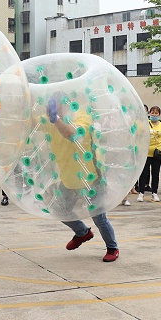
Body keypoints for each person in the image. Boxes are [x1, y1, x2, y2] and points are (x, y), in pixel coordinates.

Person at [44, 93, 119, 261]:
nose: (50, 108)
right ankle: (82, 232)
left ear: (64, 103)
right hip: (68, 179)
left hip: (90, 177)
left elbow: (72, 134)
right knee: (59, 210)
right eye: (49, 104)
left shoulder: (82, 116)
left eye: (54, 104)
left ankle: (112, 247)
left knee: (98, 216)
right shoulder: (49, 119)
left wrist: (56, 120)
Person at [137, 106, 161, 203]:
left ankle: (154, 192)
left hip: (156, 154)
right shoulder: (144, 124)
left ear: (159, 114)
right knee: (144, 173)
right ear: (149, 114)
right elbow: (139, 136)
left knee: (155, 173)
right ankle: (141, 192)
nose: (154, 115)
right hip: (145, 153)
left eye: (156, 113)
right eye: (152, 113)